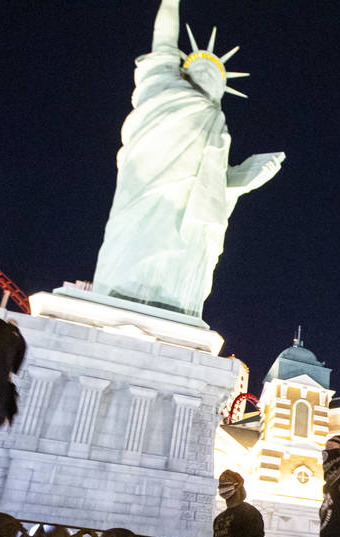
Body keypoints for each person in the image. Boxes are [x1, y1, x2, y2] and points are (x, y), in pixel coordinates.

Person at [92, 0, 284, 316]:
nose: (210, 75)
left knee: (182, 246)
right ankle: (118, 293)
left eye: (217, 78)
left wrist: (241, 183)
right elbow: (165, 40)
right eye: (201, 69)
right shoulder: (163, 85)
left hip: (186, 207)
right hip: (145, 185)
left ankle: (171, 300)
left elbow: (213, 195)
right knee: (129, 241)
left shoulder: (217, 124)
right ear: (184, 72)